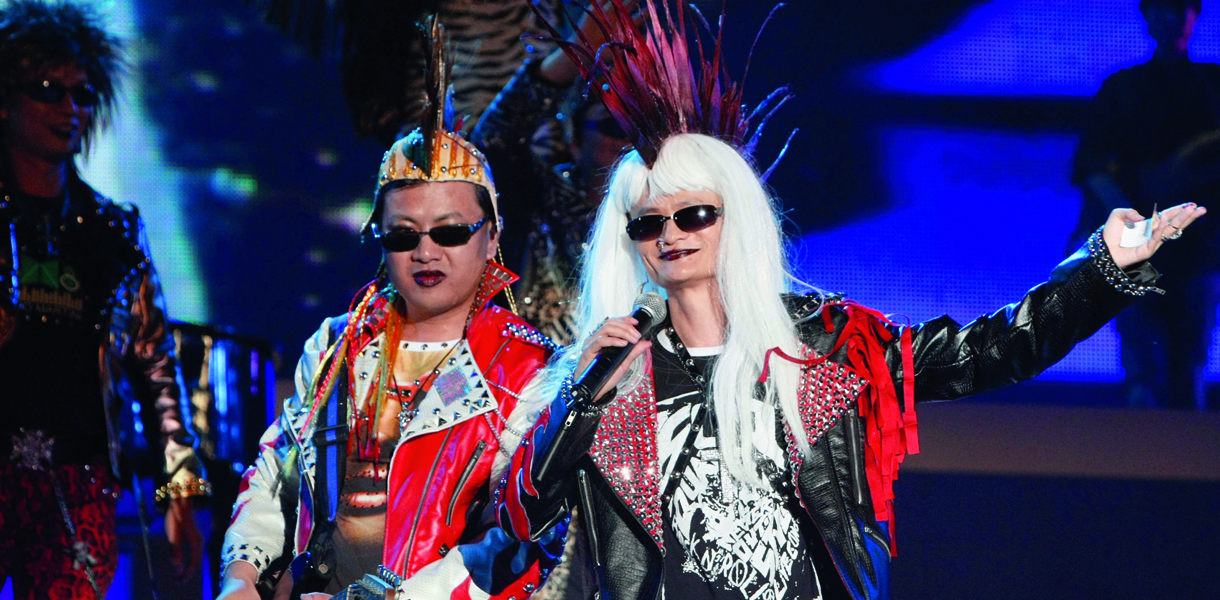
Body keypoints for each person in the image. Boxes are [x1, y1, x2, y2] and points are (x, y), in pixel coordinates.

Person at [497, 1, 1209, 599]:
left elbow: (990, 352)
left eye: (695, 215)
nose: (671, 235)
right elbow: (521, 522)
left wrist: (1098, 271)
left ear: (735, 218)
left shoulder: (830, 346)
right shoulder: (607, 374)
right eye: (648, 222)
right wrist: (576, 403)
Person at [217, 18, 565, 600]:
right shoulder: (336, 345)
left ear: (492, 236)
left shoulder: (530, 370)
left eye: (449, 232)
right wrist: (241, 575)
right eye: (403, 235)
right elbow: (276, 472)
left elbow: (518, 538)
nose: (425, 252)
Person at [0, 2, 208, 598]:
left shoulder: (113, 231)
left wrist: (180, 493)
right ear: (5, 100)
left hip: (79, 483)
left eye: (83, 94)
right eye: (48, 90)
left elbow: (156, 368)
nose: (70, 108)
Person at [1072, 0, 1220, 408]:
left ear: (1195, 16)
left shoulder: (1212, 85)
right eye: (1162, 9)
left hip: (1202, 242)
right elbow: (1091, 166)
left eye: (1181, 9)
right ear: (1147, 16)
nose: (1172, 19)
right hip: (1138, 241)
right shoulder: (1122, 88)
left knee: (1191, 358)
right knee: (1141, 363)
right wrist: (1133, 222)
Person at [473, 1, 635, 346]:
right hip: (530, 373)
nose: (627, 142)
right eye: (613, 126)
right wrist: (570, 59)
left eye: (638, 130)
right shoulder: (539, 202)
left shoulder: (666, 222)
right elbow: (492, 143)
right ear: (574, 141)